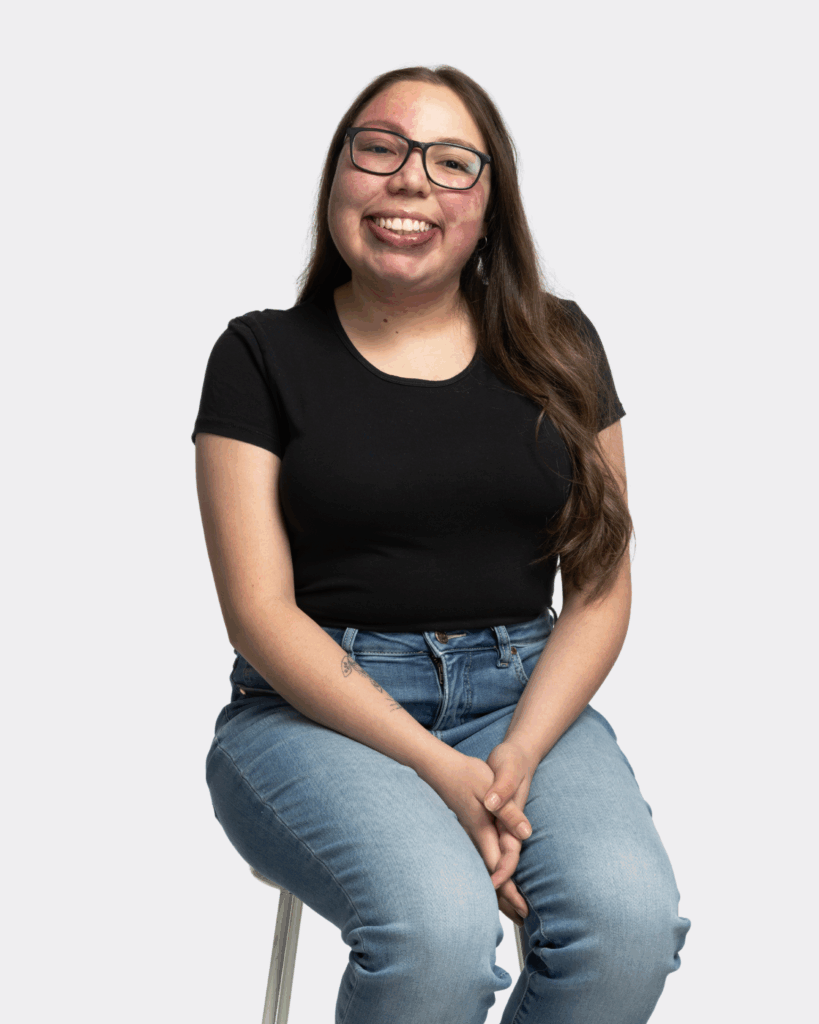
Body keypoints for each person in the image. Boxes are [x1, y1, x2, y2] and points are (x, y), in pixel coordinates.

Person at [191, 64, 691, 1024]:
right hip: (317, 712)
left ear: (489, 206)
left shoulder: (561, 345)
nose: (410, 180)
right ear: (338, 177)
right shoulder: (259, 356)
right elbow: (257, 614)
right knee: (433, 938)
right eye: (379, 148)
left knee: (626, 926)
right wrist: (438, 769)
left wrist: (511, 758)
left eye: (451, 162)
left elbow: (597, 591)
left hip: (527, 699)